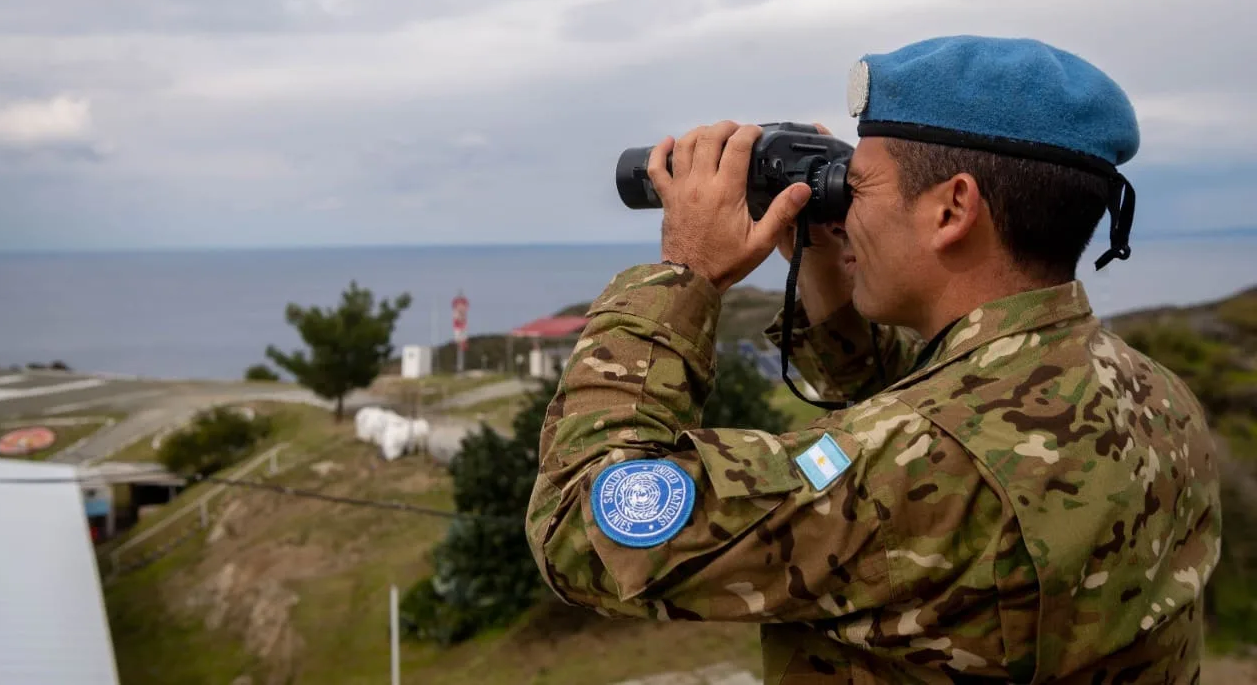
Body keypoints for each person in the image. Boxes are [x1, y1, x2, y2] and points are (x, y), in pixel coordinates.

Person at [524, 35, 1222, 684]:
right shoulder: (1157, 395)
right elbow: (943, 401)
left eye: (856, 188)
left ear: (953, 209)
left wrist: (685, 275)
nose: (845, 212)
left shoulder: (914, 469)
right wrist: (830, 269)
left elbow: (580, 533)